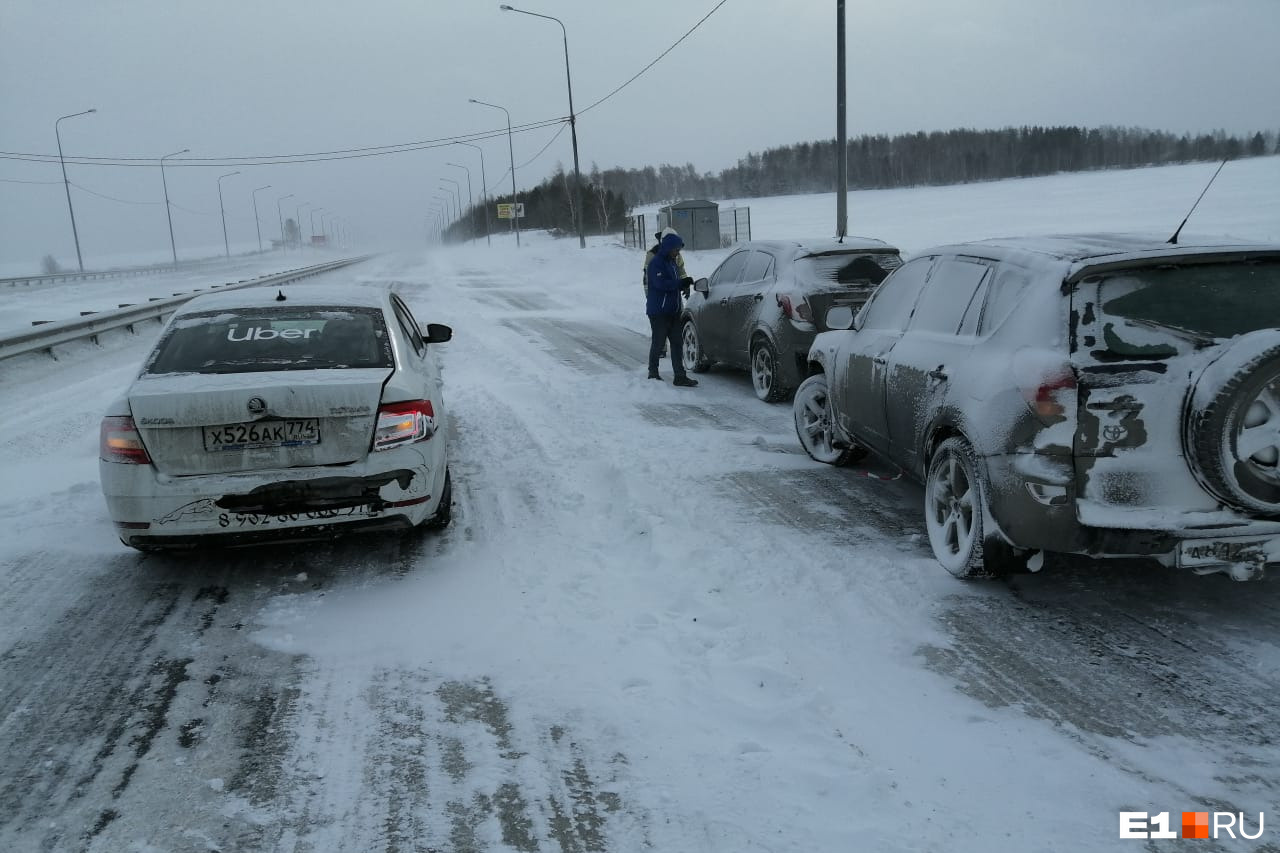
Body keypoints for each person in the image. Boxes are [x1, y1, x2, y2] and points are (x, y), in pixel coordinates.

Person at [645, 230, 698, 386]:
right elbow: (661, 284)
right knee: (658, 342)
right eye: (676, 250)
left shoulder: (672, 262)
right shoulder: (656, 263)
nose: (677, 253)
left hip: (674, 311)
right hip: (659, 312)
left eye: (678, 250)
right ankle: (653, 372)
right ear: (668, 247)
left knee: (677, 343)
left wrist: (684, 284)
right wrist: (679, 283)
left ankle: (679, 376)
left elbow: (675, 281)